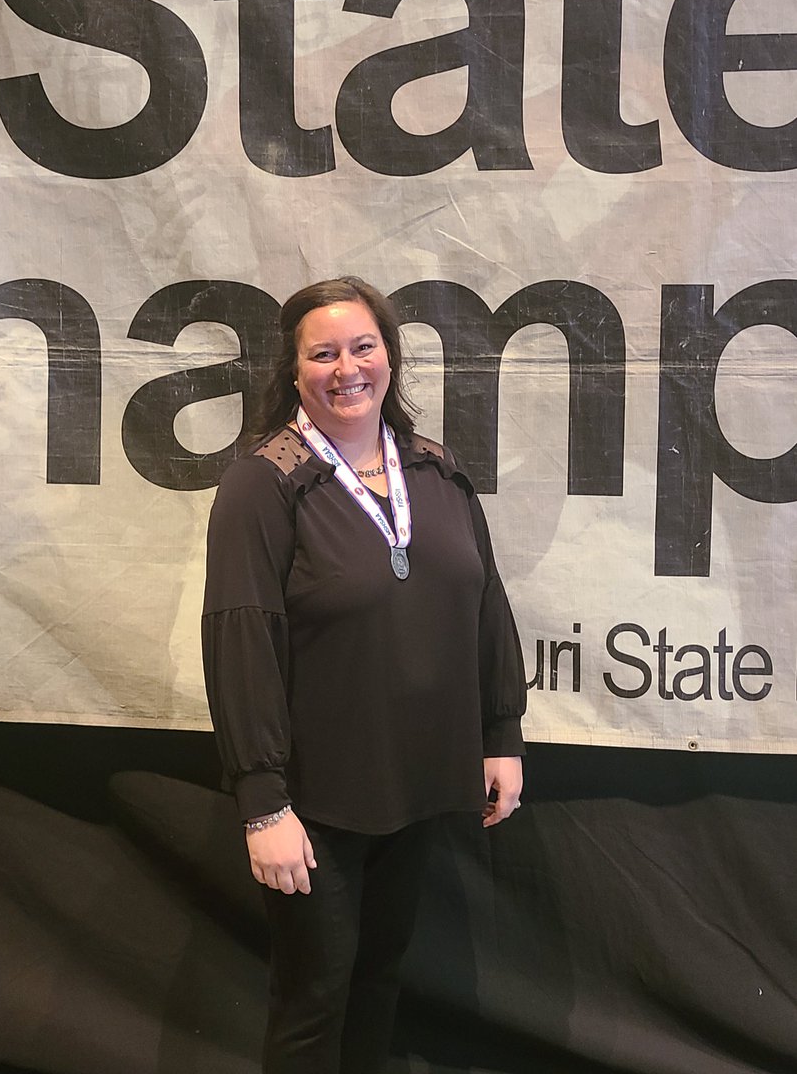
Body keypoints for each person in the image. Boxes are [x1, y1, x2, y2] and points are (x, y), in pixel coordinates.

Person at [202, 276, 526, 1074]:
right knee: (315, 1001)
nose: (346, 368)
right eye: (323, 354)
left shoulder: (436, 469)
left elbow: (485, 604)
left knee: (379, 983)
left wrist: (500, 733)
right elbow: (240, 641)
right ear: (294, 369)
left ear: (389, 354)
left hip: (415, 785)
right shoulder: (264, 483)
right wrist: (261, 802)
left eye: (362, 346)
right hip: (317, 806)